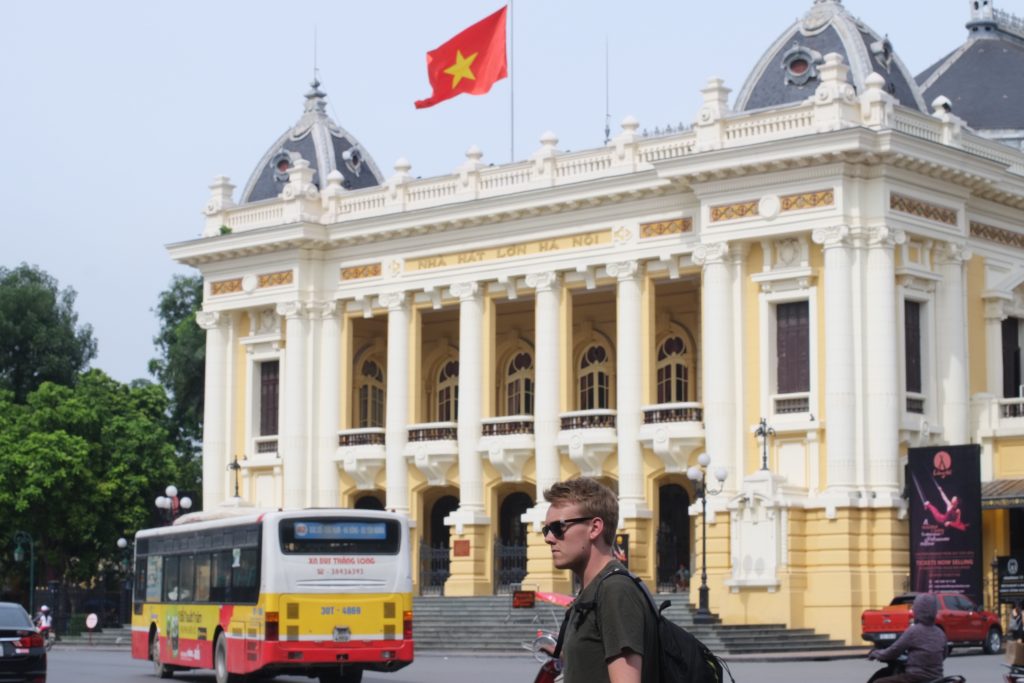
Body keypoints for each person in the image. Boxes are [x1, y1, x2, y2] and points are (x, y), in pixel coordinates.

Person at [543, 477, 658, 683]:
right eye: (547, 529)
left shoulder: (615, 590)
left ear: (595, 528)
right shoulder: (594, 590)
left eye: (558, 527)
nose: (549, 538)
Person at [868, 593, 946, 683]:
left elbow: (893, 651)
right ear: (935, 610)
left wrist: (876, 653)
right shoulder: (940, 633)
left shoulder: (913, 631)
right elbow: (943, 654)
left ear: (917, 610)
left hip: (915, 678)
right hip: (937, 677)